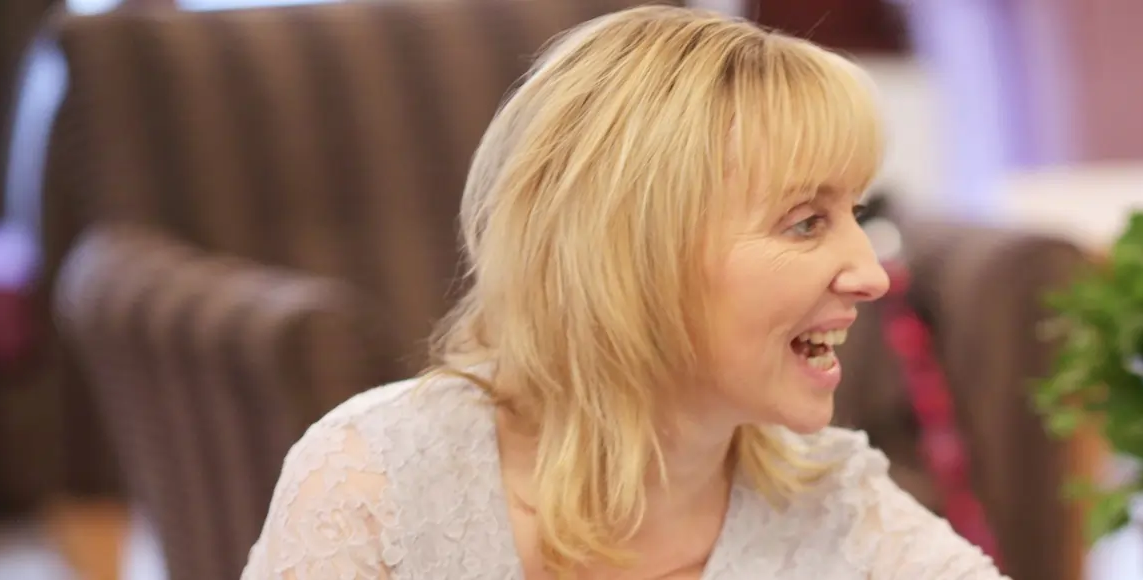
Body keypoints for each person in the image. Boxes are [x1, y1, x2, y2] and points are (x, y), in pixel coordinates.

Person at [240, 6, 1006, 579]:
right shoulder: (379, 482)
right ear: (633, 252)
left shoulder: (842, 511)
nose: (871, 273)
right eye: (806, 223)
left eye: (859, 213)